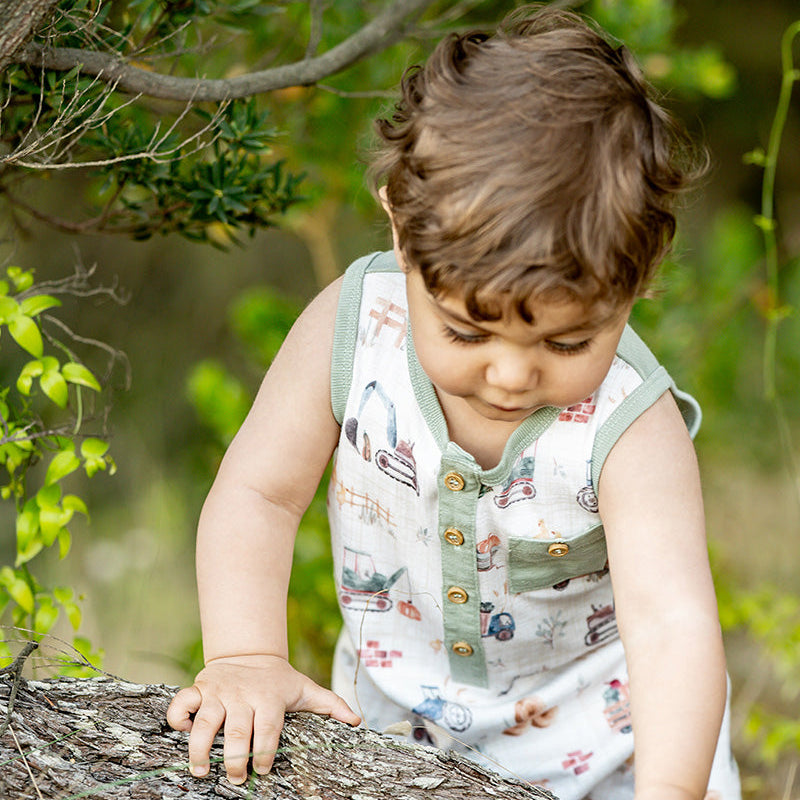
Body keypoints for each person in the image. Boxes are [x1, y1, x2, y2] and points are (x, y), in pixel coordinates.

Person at [167, 6, 741, 799]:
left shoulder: (628, 425)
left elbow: (673, 628)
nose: (510, 376)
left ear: (635, 283)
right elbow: (258, 494)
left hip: (613, 765)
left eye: (566, 344)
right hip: (387, 746)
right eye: (468, 332)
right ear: (402, 233)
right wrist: (247, 656)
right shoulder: (353, 326)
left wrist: (670, 791)